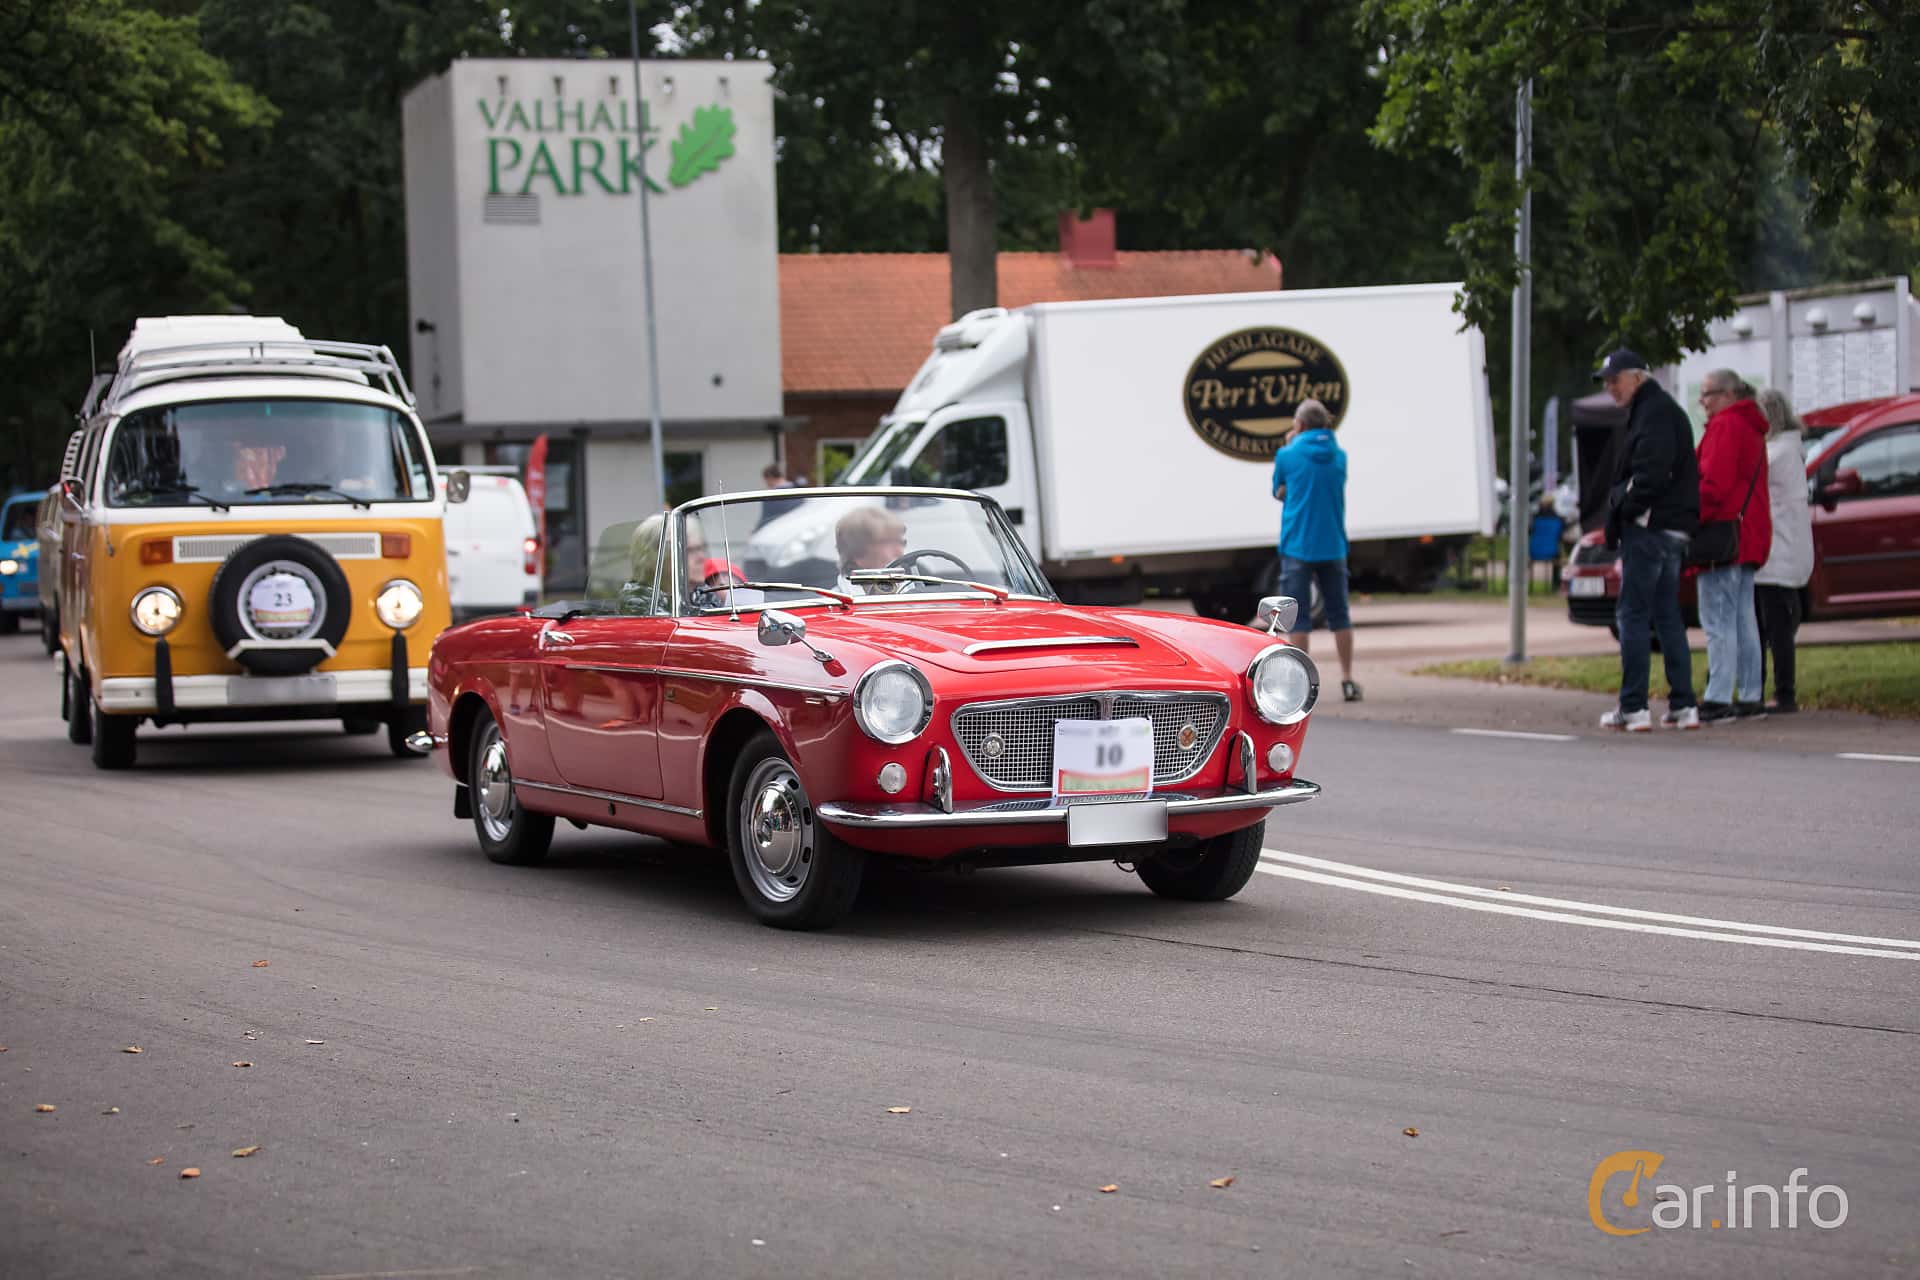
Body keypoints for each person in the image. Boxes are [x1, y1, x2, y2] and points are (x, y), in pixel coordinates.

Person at [1597, 349, 1699, 731]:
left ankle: (1635, 705)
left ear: (1637, 377)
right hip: (1672, 529)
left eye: (1614, 379)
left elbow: (1651, 474)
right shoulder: (1662, 409)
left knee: (1633, 615)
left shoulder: (1653, 413)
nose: (1610, 388)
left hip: (1651, 529)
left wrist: (1625, 507)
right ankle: (1683, 704)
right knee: (1667, 616)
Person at [1692, 370, 1772, 722]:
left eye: (1707, 394)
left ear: (1727, 395)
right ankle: (1751, 694)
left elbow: (1712, 485)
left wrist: (1687, 515)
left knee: (1719, 620)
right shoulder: (1752, 428)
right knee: (1743, 618)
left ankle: (1719, 696)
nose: (1702, 402)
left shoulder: (1725, 426)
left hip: (1721, 535)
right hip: (1746, 533)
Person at [1269, 398, 1359, 701]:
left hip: (1298, 544)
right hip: (1332, 544)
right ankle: (1347, 678)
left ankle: (1301, 684)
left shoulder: (1287, 455)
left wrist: (1291, 443)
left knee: (1298, 617)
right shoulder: (1340, 456)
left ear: (1300, 425)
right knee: (1340, 615)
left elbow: (1279, 491)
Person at [1753, 388, 1812, 713]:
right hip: (1785, 549)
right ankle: (1772, 689)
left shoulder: (1777, 454)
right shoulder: (1791, 448)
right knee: (1777, 626)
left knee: (1774, 627)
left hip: (1776, 551)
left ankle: (1782, 692)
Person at [833, 506, 908, 594]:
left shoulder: (918, 592)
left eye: (901, 542)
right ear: (858, 553)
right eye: (887, 543)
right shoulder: (831, 604)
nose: (900, 552)